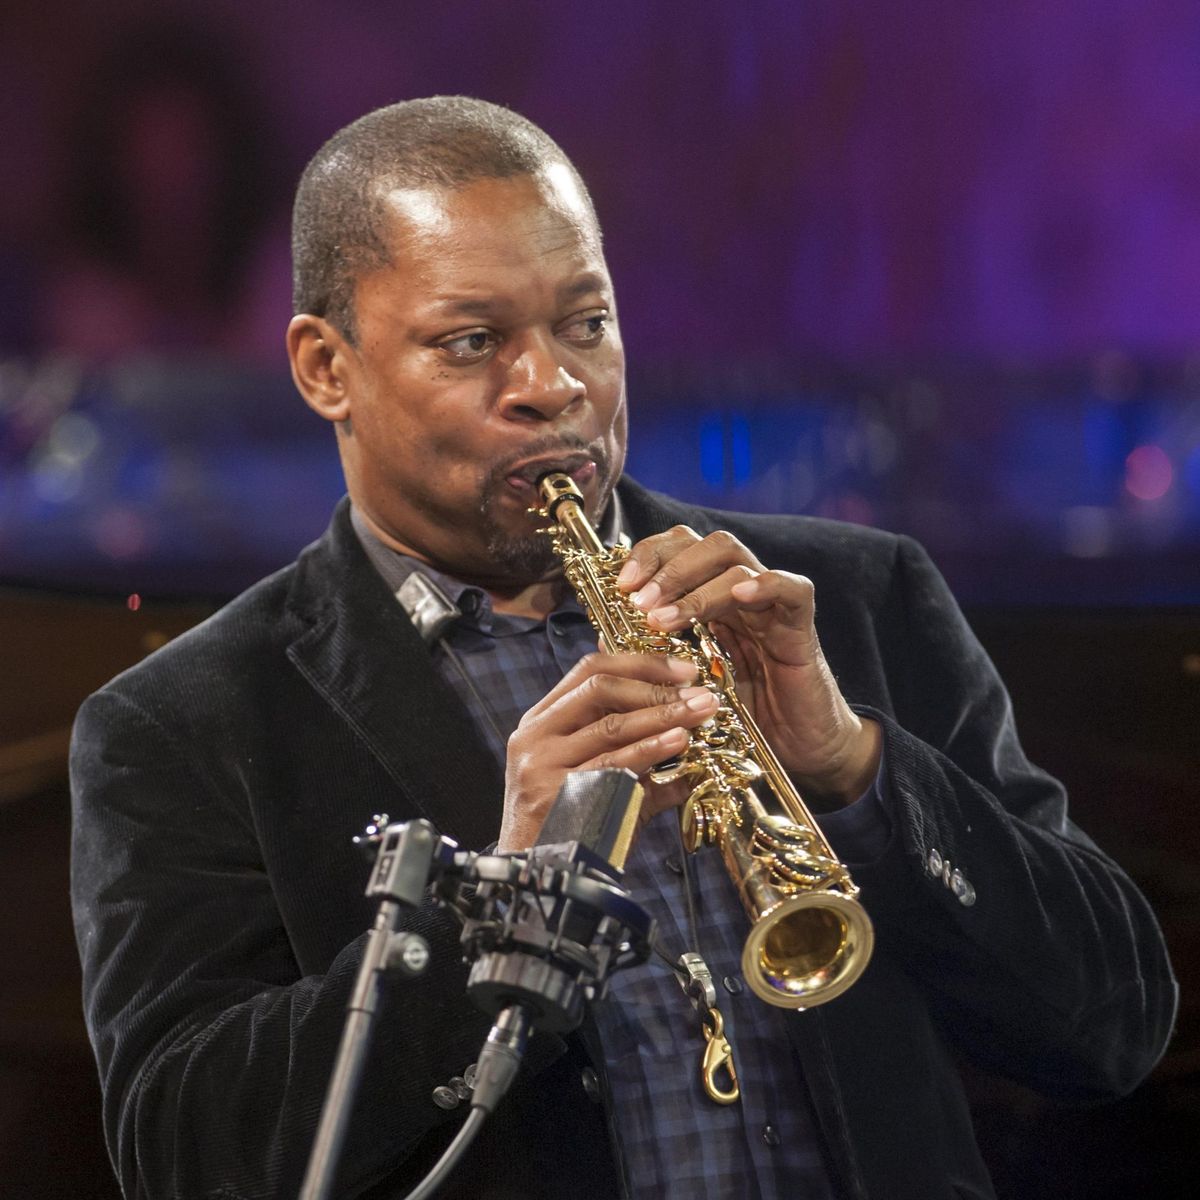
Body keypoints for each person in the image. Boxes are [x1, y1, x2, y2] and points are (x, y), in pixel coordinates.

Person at [69, 97, 1176, 1200]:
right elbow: (183, 1158)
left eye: (585, 323)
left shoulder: (857, 595)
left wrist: (856, 770)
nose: (554, 387)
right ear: (326, 367)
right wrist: (504, 908)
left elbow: (1115, 1027)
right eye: (472, 342)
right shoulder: (180, 724)